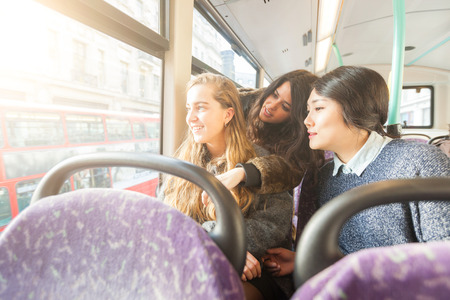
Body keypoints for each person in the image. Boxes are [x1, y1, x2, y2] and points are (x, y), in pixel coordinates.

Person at [262, 65, 450, 277]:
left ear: (354, 109)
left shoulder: (420, 161)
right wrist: (304, 259)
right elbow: (344, 255)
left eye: (319, 108)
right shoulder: (323, 177)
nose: (307, 120)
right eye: (308, 110)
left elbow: (443, 261)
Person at [159, 73, 294, 300]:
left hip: (254, 267)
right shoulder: (182, 165)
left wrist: (231, 248)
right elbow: (167, 220)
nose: (190, 117)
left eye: (200, 108)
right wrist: (217, 247)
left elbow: (275, 224)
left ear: (228, 114)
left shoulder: (260, 164)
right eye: (188, 108)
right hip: (198, 258)